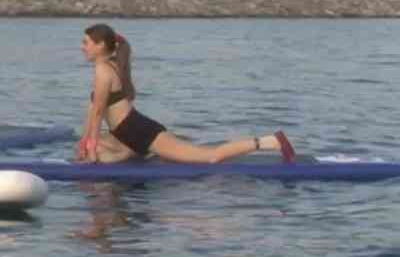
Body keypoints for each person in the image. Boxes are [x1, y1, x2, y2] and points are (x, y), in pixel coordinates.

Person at [77, 23, 296, 164]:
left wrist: (92, 150)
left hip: (141, 133)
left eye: (86, 43)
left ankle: (270, 141)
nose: (82, 47)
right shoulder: (107, 67)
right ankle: (134, 152)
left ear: (100, 45)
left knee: (211, 156)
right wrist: (86, 143)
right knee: (92, 151)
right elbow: (94, 110)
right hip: (129, 134)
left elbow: (97, 114)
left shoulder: (103, 71)